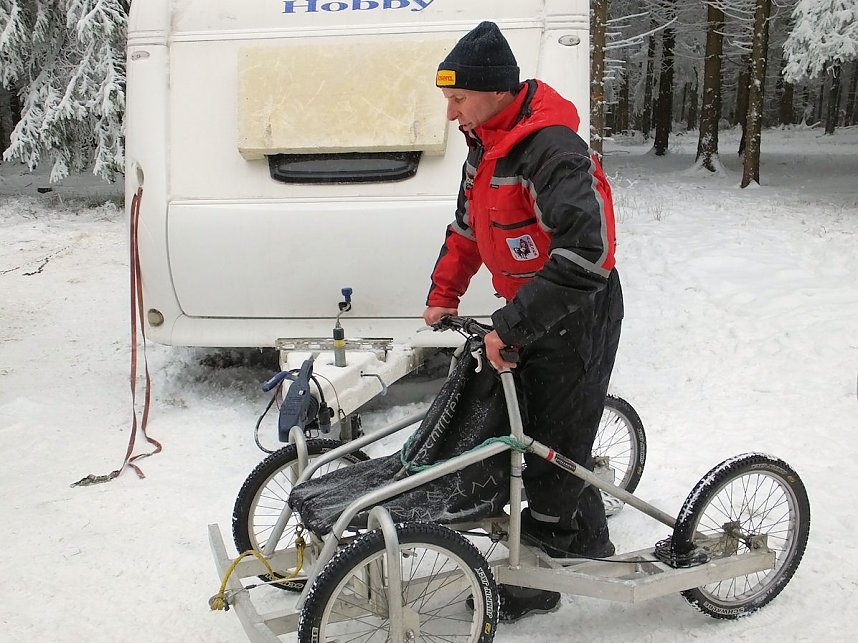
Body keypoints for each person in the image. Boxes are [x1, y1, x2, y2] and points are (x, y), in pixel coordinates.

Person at [423, 21, 624, 622]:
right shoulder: (485, 144)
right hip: (527, 310)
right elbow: (466, 228)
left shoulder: (553, 149)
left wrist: (511, 327)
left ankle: (537, 582)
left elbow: (586, 253)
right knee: (527, 430)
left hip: (576, 311)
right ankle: (588, 540)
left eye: (458, 99)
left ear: (492, 90)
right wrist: (445, 292)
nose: (451, 113)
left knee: (551, 446)